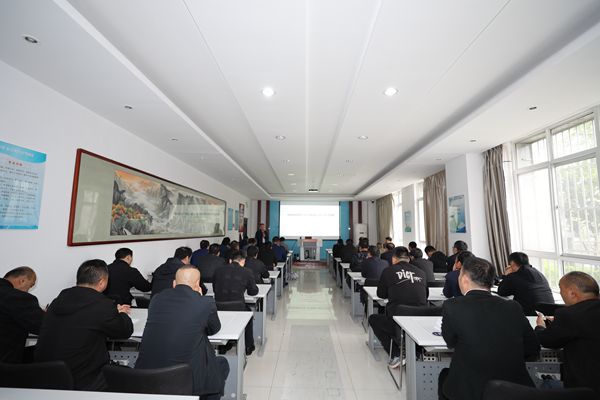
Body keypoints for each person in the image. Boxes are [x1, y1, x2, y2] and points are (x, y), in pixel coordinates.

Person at [439, 256, 540, 400]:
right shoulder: (513, 306)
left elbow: (451, 342)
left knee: (445, 378)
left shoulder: (452, 306)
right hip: (513, 389)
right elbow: (532, 347)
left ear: (464, 279)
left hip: (471, 389)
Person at [35, 259, 133, 391]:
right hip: (83, 379)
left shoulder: (58, 300)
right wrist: (122, 314)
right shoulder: (102, 304)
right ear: (102, 282)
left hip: (44, 375)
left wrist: (111, 312)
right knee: (128, 377)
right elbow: (125, 331)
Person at [136, 266, 229, 398]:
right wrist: (199, 296)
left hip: (146, 375)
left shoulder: (156, 299)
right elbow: (214, 328)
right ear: (197, 284)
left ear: (174, 283)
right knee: (221, 365)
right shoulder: (205, 302)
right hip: (184, 378)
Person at [535, 271, 600, 394]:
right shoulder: (577, 315)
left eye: (561, 289)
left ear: (572, 293)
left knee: (545, 385)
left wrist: (540, 326)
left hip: (586, 389)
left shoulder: (570, 315)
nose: (560, 293)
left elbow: (547, 340)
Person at [368, 247, 428, 368]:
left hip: (398, 321)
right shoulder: (421, 272)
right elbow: (425, 295)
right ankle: (415, 353)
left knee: (373, 319)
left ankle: (396, 354)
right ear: (409, 259)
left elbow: (381, 294)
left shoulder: (388, 271)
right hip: (420, 322)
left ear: (394, 259)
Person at [212, 252, 258, 355]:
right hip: (238, 306)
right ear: (243, 261)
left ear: (230, 260)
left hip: (218, 305)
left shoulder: (218, 270)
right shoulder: (247, 271)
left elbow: (215, 288)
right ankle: (249, 346)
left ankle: (223, 346)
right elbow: (253, 292)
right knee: (249, 316)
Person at [0, 267, 44, 363]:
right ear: (22, 281)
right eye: (30, 286)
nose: (27, 291)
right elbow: (43, 326)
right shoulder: (17, 297)